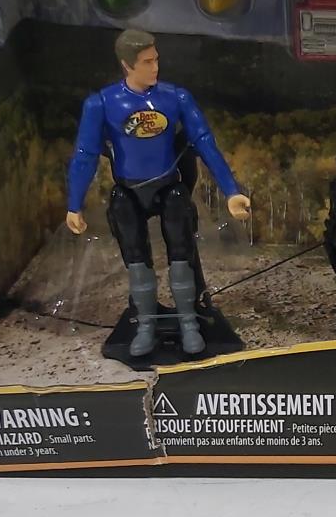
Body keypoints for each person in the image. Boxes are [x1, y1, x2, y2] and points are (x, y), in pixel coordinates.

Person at [66, 29, 252, 357]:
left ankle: (189, 321)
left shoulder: (175, 98)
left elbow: (204, 142)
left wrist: (230, 191)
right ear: (127, 65)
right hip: (129, 191)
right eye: (147, 62)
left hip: (169, 188)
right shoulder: (102, 103)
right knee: (137, 260)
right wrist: (74, 204)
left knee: (181, 254)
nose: (155, 67)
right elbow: (85, 154)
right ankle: (146, 324)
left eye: (156, 59)